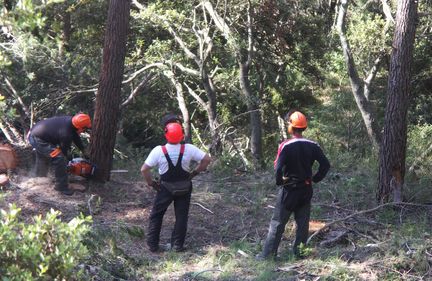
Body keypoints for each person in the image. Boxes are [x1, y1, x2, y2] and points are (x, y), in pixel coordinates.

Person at [257, 111, 330, 260]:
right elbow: (325, 165)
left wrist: (280, 181)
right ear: (304, 127)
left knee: (278, 222)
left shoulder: (285, 145)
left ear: (291, 126)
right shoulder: (313, 145)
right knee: (303, 224)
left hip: (289, 189)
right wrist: (315, 179)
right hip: (306, 189)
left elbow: (277, 168)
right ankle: (300, 253)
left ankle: (268, 255)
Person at [141, 121, 211, 253]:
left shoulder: (158, 151)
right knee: (181, 216)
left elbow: (144, 169)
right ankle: (177, 245)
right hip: (184, 187)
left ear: (166, 135)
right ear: (182, 136)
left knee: (157, 215)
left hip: (165, 188)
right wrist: (195, 172)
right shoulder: (189, 149)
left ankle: (152, 245)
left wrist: (151, 183)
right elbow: (207, 159)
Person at [28, 113, 91, 195]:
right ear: (79, 127)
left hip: (38, 133)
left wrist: (83, 150)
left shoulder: (72, 121)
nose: (84, 131)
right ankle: (61, 187)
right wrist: (69, 159)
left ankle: (39, 178)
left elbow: (75, 136)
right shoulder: (66, 133)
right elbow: (64, 151)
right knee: (59, 158)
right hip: (37, 138)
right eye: (84, 129)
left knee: (43, 156)